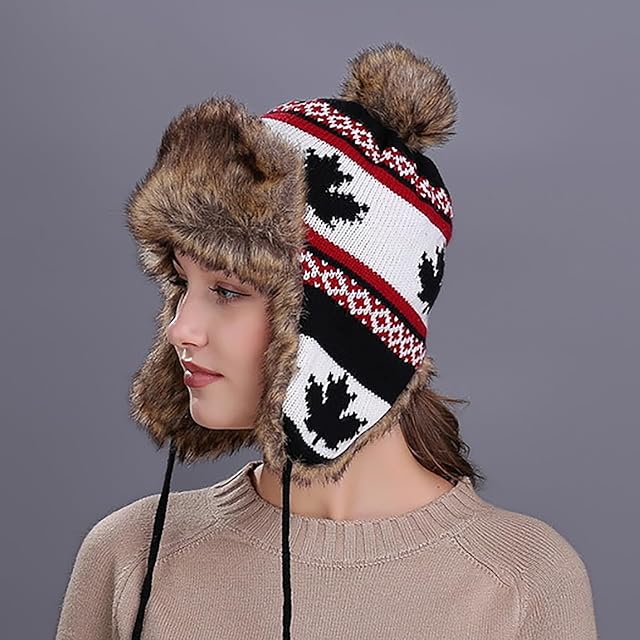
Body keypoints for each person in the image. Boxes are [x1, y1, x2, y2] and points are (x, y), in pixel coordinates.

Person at [55, 43, 598, 640]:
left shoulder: (521, 583)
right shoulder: (130, 555)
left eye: (228, 291)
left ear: (339, 325)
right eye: (182, 284)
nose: (179, 328)